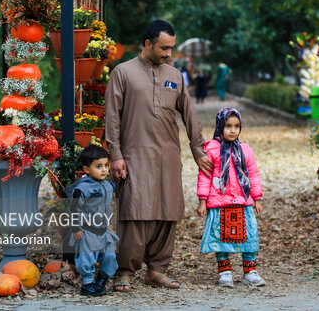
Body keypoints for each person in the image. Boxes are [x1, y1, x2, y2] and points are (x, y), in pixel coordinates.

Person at [105, 19, 213, 292]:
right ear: (148, 44)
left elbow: (189, 113)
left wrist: (197, 149)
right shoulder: (123, 72)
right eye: (164, 48)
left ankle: (157, 270)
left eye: (172, 49)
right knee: (135, 210)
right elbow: (112, 117)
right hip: (134, 152)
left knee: (167, 210)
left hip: (167, 153)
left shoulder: (175, 75)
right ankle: (126, 270)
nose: (169, 54)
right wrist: (115, 154)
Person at [196, 107, 266, 288]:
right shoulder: (211, 150)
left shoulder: (245, 150)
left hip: (242, 202)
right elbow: (204, 176)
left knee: (248, 238)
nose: (233, 130)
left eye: (236, 126)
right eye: (228, 126)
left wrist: (256, 198)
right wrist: (202, 200)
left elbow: (253, 174)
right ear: (220, 126)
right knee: (219, 239)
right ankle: (224, 271)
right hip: (219, 202)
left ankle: (250, 272)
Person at [64, 145, 119, 297]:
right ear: (87, 169)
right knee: (86, 257)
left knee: (109, 256)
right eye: (98, 166)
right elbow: (73, 209)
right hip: (86, 231)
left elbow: (115, 186)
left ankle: (101, 281)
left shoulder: (107, 185)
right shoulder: (82, 189)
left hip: (103, 230)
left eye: (106, 165)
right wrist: (75, 228)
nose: (103, 170)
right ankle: (88, 284)